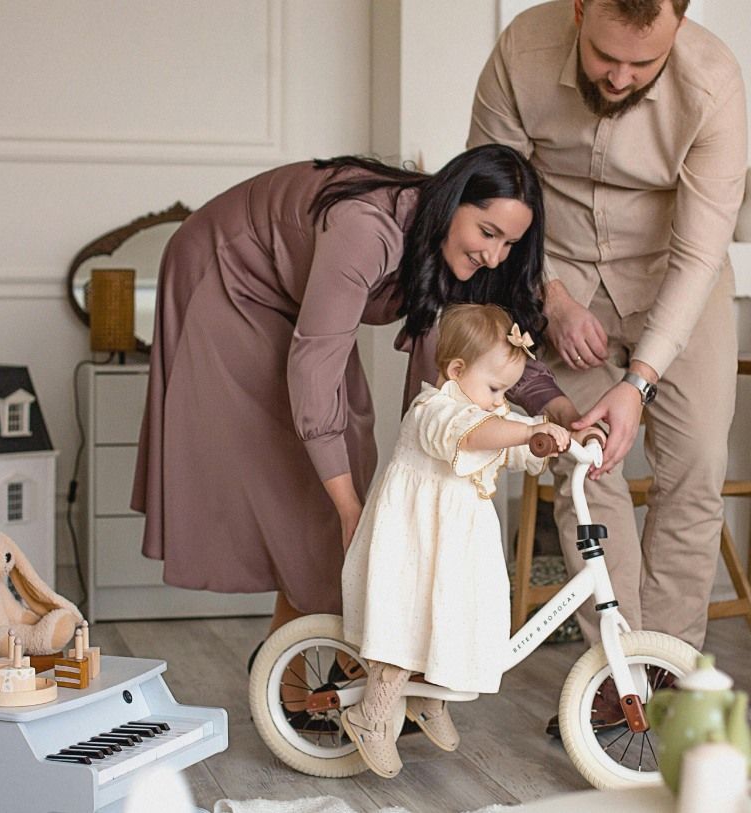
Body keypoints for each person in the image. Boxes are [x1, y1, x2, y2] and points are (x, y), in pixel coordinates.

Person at [130, 145, 588, 664]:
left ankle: (292, 655)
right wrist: (349, 508)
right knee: (316, 483)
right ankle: (307, 672)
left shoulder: (458, 253)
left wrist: (558, 407)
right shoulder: (364, 230)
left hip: (294, 290)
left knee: (352, 441)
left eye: (511, 243)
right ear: (452, 202)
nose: (495, 256)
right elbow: (313, 367)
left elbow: (481, 348)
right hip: (229, 271)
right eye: (487, 233)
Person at [468, 0, 747, 727]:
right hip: (560, 281)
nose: (620, 77)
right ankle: (615, 682)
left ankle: (671, 671)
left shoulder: (715, 81)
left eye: (642, 62)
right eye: (604, 57)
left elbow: (699, 251)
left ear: (678, 26)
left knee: (693, 471)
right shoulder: (521, 50)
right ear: (579, 10)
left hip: (677, 281)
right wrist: (550, 297)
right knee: (587, 471)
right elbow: (487, 190)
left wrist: (641, 379)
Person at [340, 304, 571, 778]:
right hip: (415, 542)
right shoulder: (435, 410)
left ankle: (427, 697)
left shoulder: (491, 413)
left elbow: (512, 445)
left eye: (507, 390)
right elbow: (477, 436)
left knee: (452, 619)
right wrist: (529, 431)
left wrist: (552, 440)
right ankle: (373, 714)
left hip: (455, 550)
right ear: (456, 371)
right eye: (493, 388)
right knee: (406, 623)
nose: (499, 400)